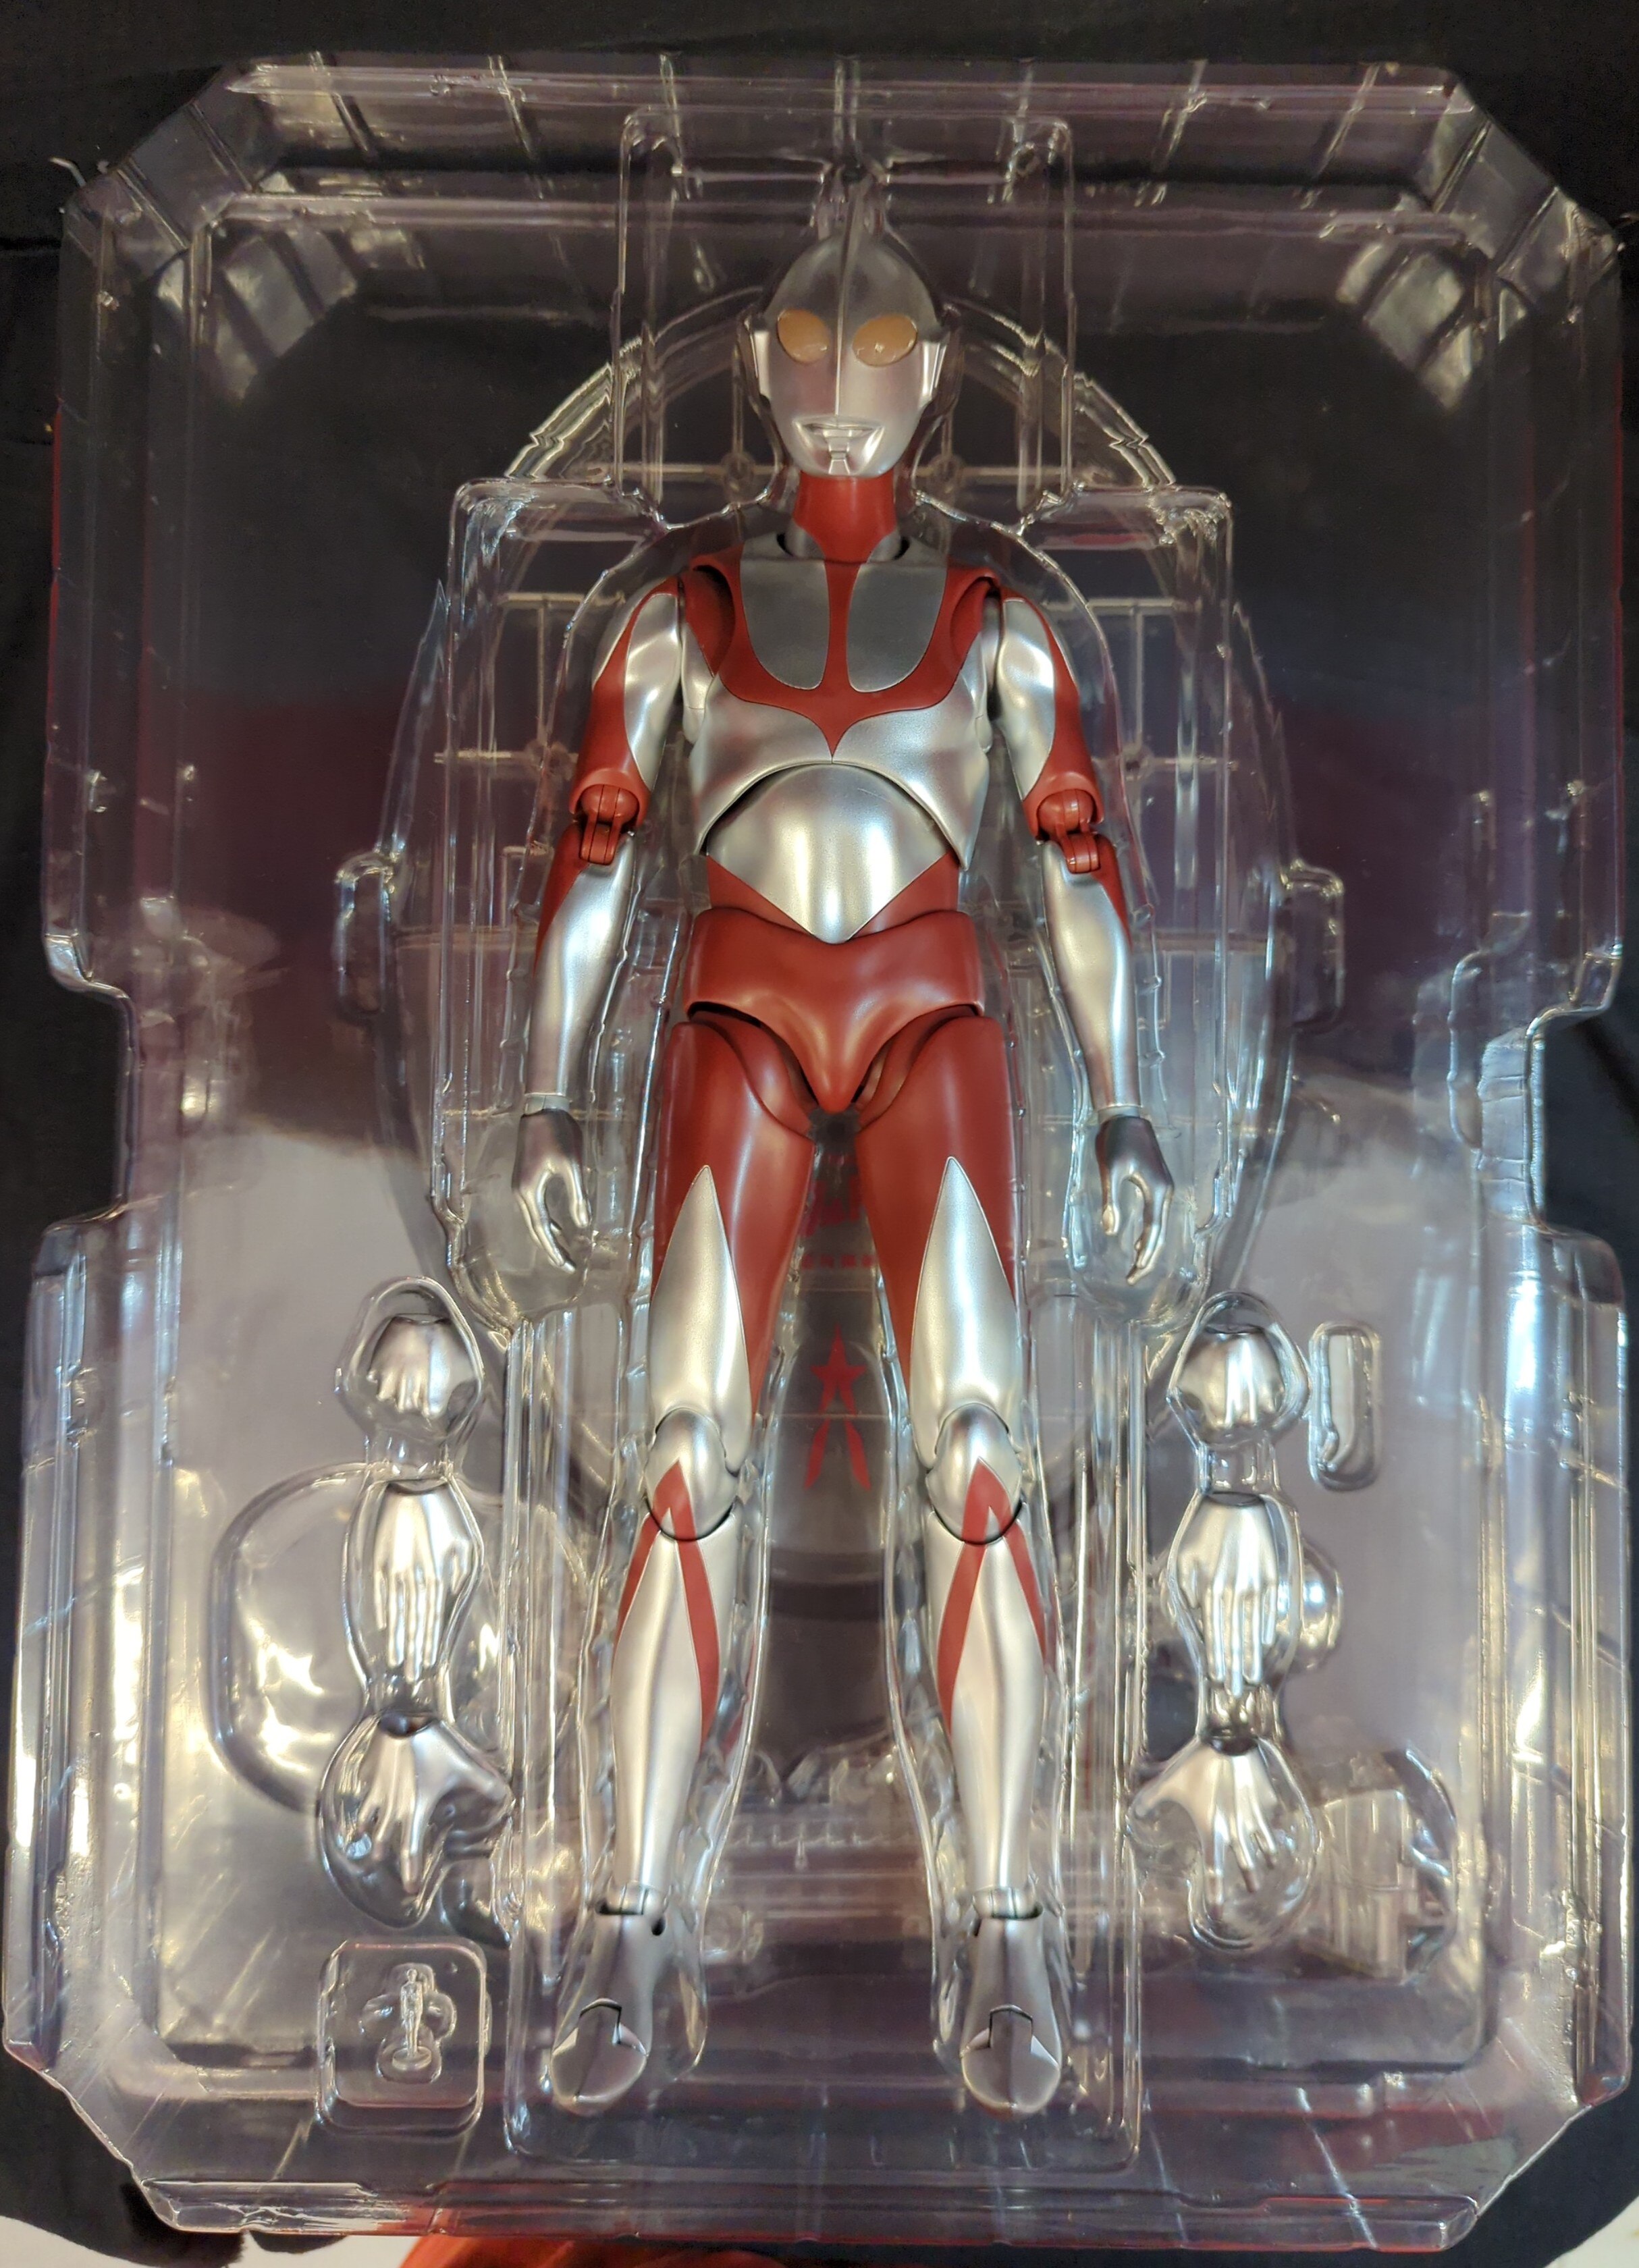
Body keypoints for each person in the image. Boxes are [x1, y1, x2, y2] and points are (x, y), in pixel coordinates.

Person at [513, 184, 1171, 2119]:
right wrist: (546, 1093)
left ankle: (1010, 1927)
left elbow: (1074, 869)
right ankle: (632, 1913)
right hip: (732, 1017)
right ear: (755, 362)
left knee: (979, 1456)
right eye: (807, 346)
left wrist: (1123, 1099)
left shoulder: (992, 625)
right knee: (678, 1457)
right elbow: (593, 857)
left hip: (929, 1026)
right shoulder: (683, 617)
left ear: (934, 374)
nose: (836, 384)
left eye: (876, 349)